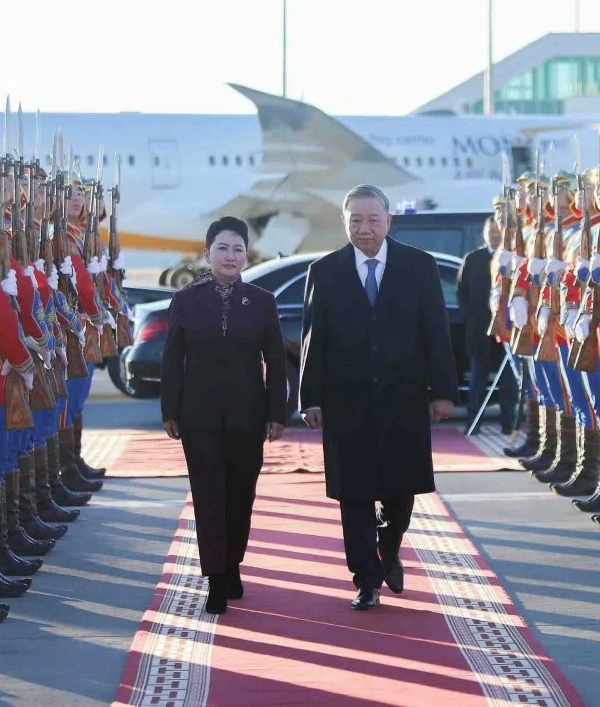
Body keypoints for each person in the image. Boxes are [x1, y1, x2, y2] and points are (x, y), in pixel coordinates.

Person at [299, 184, 458, 611]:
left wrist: (444, 392)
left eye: (373, 220)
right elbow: (313, 339)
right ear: (344, 222)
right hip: (345, 402)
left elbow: (436, 333)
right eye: (356, 220)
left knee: (401, 492)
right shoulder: (325, 270)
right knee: (354, 495)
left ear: (389, 220)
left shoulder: (419, 267)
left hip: (403, 399)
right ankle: (366, 579)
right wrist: (309, 397)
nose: (364, 228)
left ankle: (389, 545)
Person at [160, 216, 287, 615]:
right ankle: (215, 579)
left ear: (246, 256)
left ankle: (232, 564)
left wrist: (276, 413)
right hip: (198, 416)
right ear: (207, 253)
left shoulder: (263, 301)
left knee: (240, 497)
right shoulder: (186, 299)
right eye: (222, 248)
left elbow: (277, 362)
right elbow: (171, 360)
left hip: (249, 416)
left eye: (237, 249)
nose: (230, 256)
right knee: (209, 497)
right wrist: (170, 410)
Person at [456, 215, 516, 434]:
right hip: (479, 329)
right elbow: (461, 292)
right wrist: (470, 317)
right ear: (484, 234)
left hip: (507, 329)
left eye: (497, 231)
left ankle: (508, 422)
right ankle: (474, 422)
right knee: (478, 378)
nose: (494, 236)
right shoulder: (473, 259)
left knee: (508, 380)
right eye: (490, 231)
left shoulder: (511, 258)